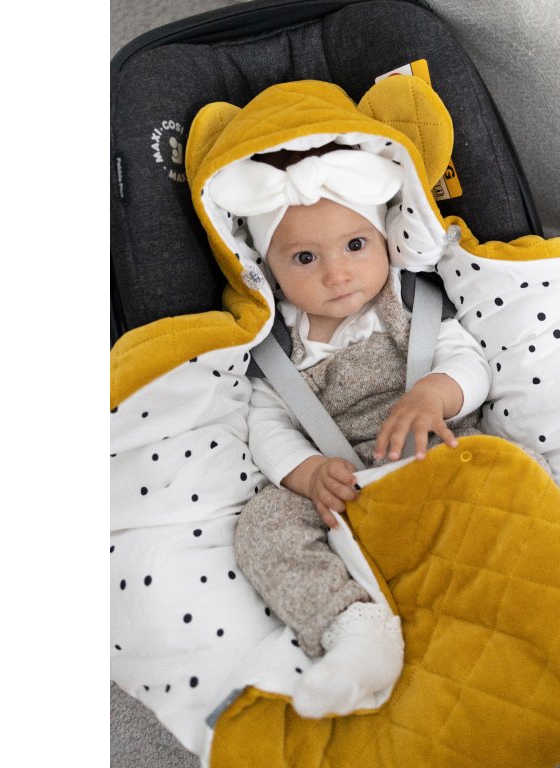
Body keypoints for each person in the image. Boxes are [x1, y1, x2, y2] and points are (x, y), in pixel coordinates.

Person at [208, 144, 492, 718]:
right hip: (343, 484)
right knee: (263, 524)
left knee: (503, 468)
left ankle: (483, 583)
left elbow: (471, 363)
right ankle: (354, 627)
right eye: (304, 258)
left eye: (356, 246)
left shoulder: (408, 302)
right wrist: (309, 473)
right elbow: (268, 424)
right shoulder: (278, 344)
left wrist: (430, 395)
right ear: (270, 270)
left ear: (384, 239)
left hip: (433, 451)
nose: (336, 274)